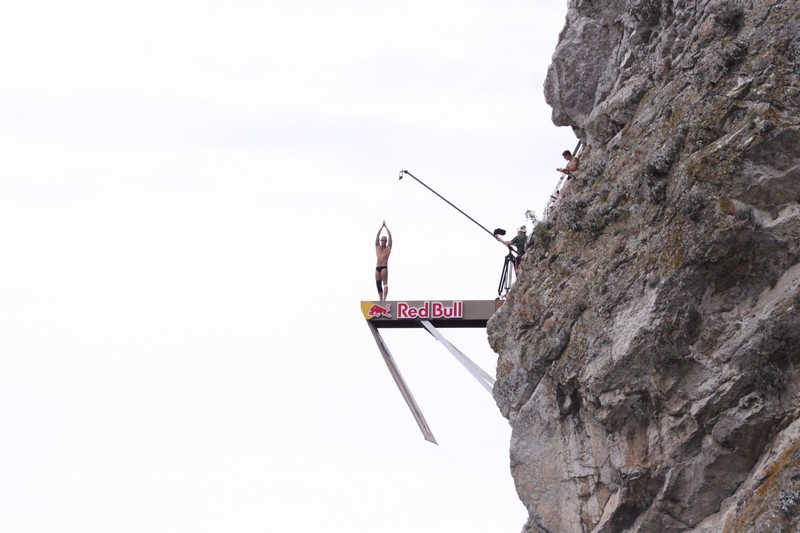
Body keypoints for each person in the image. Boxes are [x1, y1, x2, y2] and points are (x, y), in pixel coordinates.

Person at [374, 220, 392, 301]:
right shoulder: (378, 247)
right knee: (378, 284)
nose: (383, 241)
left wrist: (386, 227)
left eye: (385, 240)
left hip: (384, 267)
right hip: (377, 267)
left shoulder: (388, 248)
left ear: (386, 241)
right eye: (382, 240)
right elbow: (377, 235)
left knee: (385, 283)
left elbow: (390, 236)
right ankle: (380, 299)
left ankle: (384, 299)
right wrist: (382, 226)